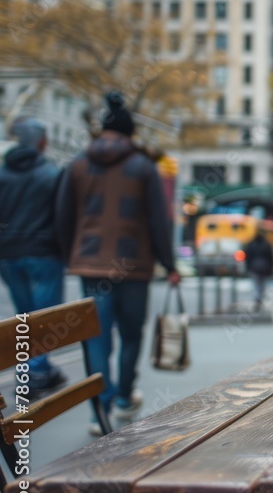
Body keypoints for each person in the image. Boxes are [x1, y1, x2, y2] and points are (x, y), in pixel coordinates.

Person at [56, 92, 180, 430]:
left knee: (96, 338)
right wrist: (169, 265)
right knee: (131, 334)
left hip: (91, 264)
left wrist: (73, 254)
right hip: (134, 265)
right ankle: (125, 396)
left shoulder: (78, 164)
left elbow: (63, 216)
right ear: (129, 133)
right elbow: (159, 220)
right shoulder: (143, 166)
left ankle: (102, 407)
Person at [0, 117, 67, 392]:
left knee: (24, 316)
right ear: (41, 141)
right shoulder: (52, 174)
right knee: (43, 317)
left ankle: (35, 368)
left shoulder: (2, 174)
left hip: (8, 255)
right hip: (43, 254)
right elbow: (62, 216)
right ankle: (35, 372)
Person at [243, 231, 273, 310]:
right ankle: (259, 299)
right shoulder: (267, 245)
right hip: (265, 268)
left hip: (254, 268)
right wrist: (271, 268)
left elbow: (248, 257)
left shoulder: (251, 245)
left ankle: (257, 300)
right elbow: (271, 258)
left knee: (256, 285)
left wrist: (247, 267)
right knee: (262, 285)